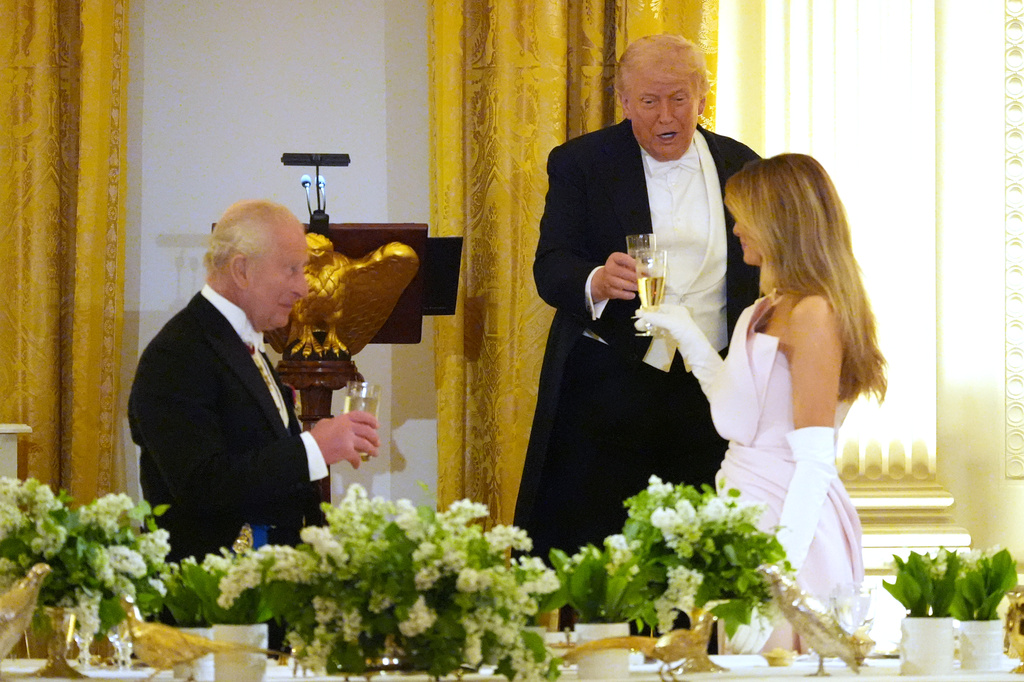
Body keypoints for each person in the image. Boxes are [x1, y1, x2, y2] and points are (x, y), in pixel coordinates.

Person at [514, 34, 761, 564]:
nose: (665, 115)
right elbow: (551, 266)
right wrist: (597, 280)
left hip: (712, 386)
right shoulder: (581, 162)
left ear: (702, 96)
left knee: (700, 549)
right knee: (598, 548)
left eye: (679, 98)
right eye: (649, 101)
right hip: (610, 383)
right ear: (625, 102)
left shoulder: (743, 165)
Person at [638, 153, 887, 651]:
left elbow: (814, 461)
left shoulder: (814, 313)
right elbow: (737, 414)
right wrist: (686, 332)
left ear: (780, 222)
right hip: (746, 515)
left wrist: (779, 578)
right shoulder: (762, 308)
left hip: (791, 525)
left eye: (743, 217)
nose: (735, 229)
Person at [129, 199, 380, 563]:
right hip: (211, 587)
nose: (303, 288)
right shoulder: (178, 353)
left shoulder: (242, 343)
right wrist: (313, 448)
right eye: (291, 270)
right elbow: (202, 484)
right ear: (242, 270)